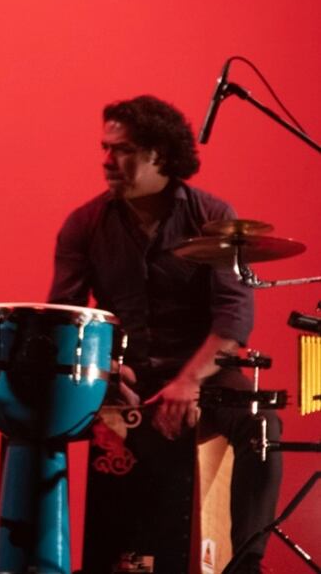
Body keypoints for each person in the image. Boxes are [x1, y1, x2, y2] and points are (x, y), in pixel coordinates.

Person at [48, 95, 282, 573]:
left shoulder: (211, 216)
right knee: (37, 417)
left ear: (159, 154)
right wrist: (107, 370)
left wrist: (189, 382)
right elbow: (67, 316)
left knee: (261, 425)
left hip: (203, 371)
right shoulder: (84, 223)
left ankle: (247, 564)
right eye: (105, 148)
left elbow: (233, 317)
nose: (107, 160)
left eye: (123, 149)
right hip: (123, 373)